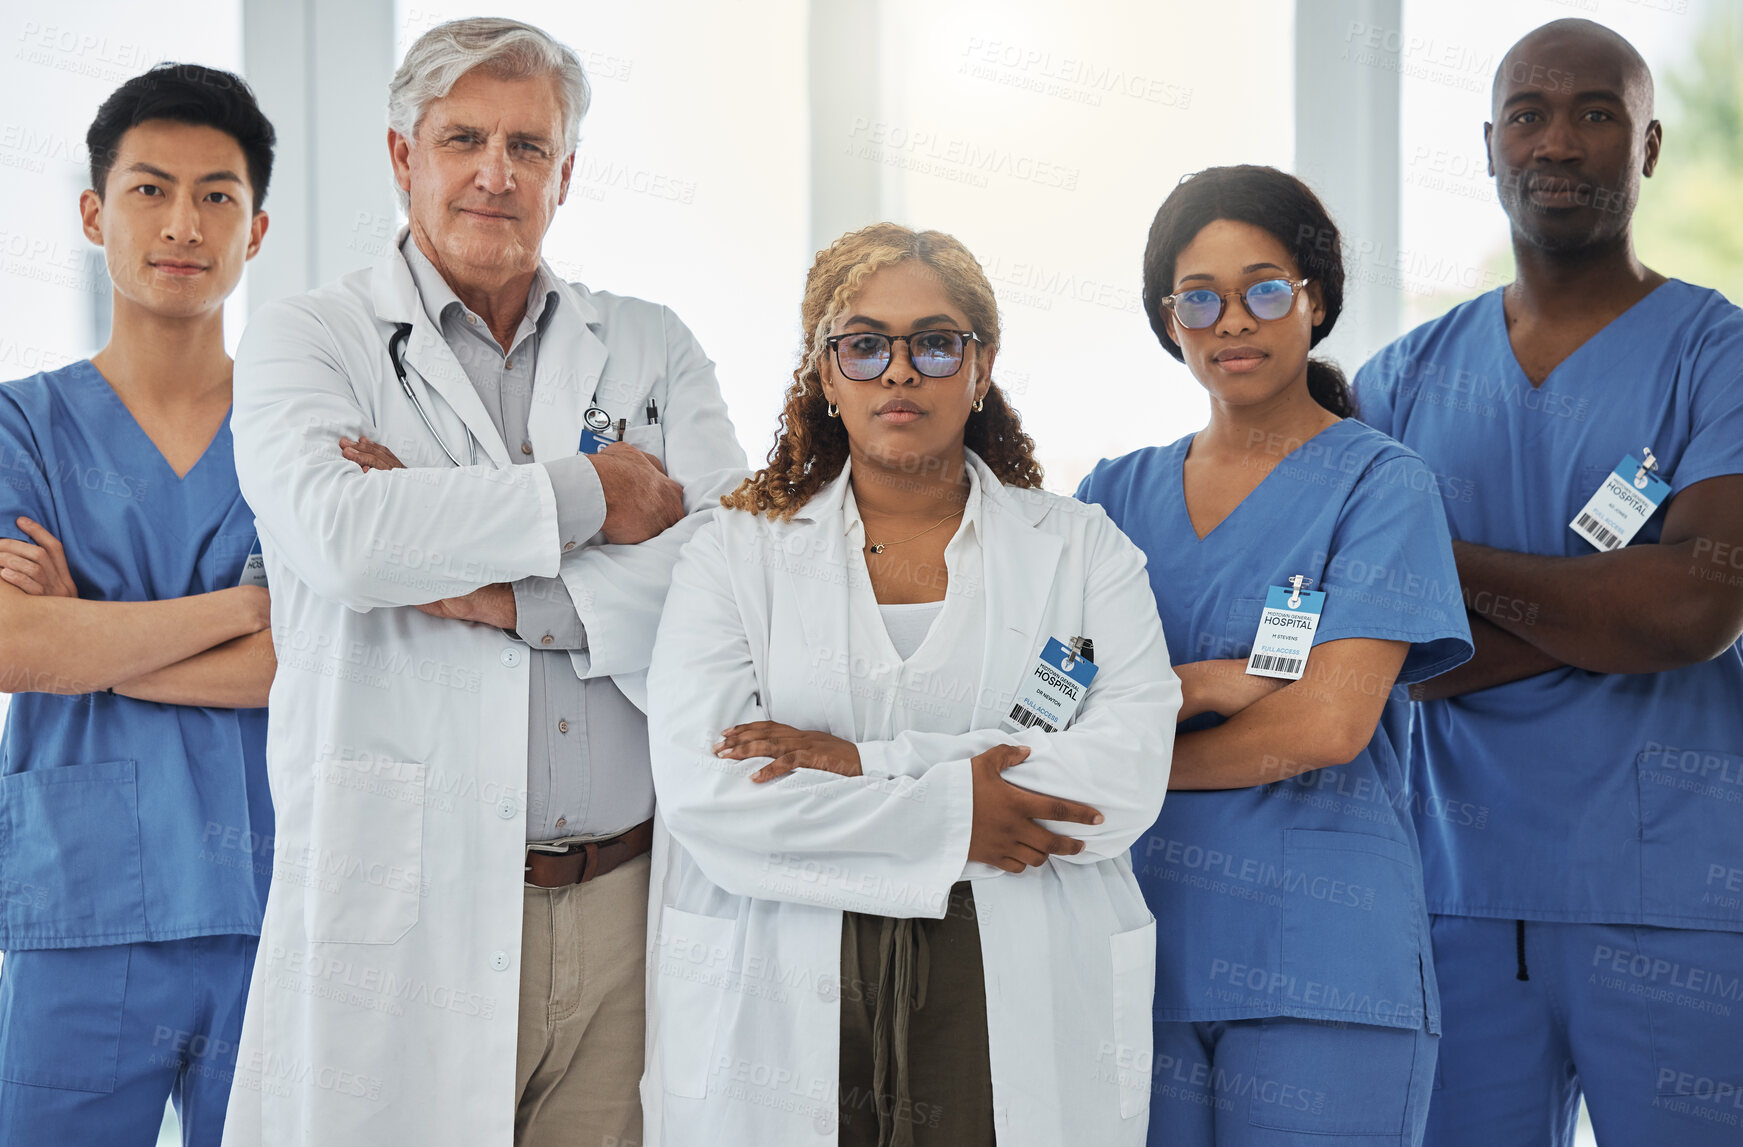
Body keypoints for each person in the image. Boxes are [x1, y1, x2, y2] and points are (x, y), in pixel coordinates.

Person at [222, 17, 746, 1147]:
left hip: (626, 903)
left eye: (529, 146)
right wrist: (597, 496)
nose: (496, 174)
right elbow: (348, 536)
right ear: (405, 156)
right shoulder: (309, 340)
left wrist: (509, 595)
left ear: (568, 171)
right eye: (463, 138)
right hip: (414, 902)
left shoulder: (651, 344)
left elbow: (734, 578)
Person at [642, 222, 1179, 1146]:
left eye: (935, 343)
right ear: (824, 371)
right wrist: (960, 813)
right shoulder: (733, 553)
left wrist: (860, 762)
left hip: (1006, 954)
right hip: (790, 963)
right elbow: (715, 791)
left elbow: (1122, 776)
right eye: (864, 345)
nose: (900, 372)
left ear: (980, 368)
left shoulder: (1083, 549)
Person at [1355, 19, 1743, 1147]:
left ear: (1651, 146)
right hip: (1457, 900)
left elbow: (1694, 609)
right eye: (1528, 114)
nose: (1558, 143)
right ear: (1489, 147)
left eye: (1596, 114)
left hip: (1678, 900)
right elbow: (1374, 653)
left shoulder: (1715, 354)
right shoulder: (1403, 380)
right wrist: (1602, 604)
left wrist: (1443, 576)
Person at [1076, 166, 1473, 1146]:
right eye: (1198, 297)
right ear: (1169, 320)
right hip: (1139, 954)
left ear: (1316, 299)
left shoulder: (1381, 485)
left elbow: (1328, 724)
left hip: (1326, 966)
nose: (1232, 321)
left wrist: (1129, 764)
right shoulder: (1110, 495)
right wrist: (1211, 683)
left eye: (1263, 288)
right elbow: (1046, 704)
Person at [0, 63, 277, 1147]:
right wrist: (233, 609)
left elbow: (293, 663)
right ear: (92, 213)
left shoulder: (294, 436)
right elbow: (16, 643)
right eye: (149, 189)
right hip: (84, 912)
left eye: (219, 195)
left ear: (255, 231)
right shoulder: (23, 425)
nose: (183, 223)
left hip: (270, 905)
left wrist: (90, 631)